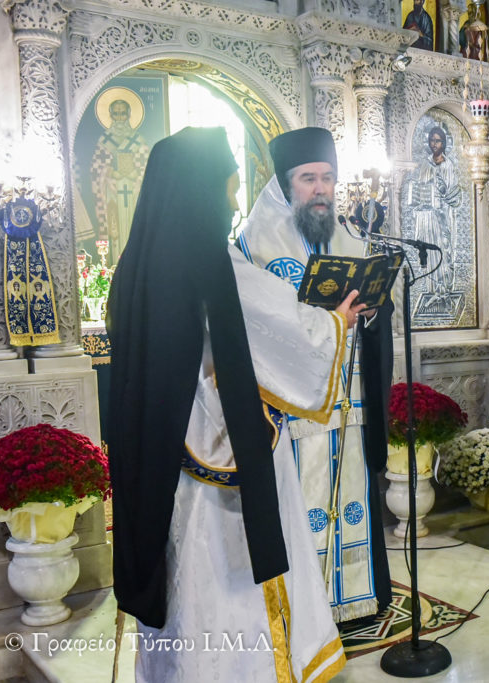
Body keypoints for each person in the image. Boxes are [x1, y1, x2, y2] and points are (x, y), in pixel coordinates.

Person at [108, 127, 365, 680]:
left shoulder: (133, 266)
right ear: (200, 190)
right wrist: (336, 324)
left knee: (180, 577)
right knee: (225, 580)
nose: (231, 201)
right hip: (224, 456)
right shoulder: (210, 262)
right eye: (226, 188)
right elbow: (283, 327)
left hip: (164, 465)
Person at [238, 127, 395, 622]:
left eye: (327, 178)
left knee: (352, 498)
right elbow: (258, 327)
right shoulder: (253, 245)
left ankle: (355, 601)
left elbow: (372, 316)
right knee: (300, 505)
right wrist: (331, 323)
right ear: (286, 185)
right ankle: (306, 612)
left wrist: (371, 314)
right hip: (289, 413)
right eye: (309, 179)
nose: (321, 189)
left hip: (349, 404)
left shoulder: (349, 238)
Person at [403, 125, 462, 294]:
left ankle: (442, 290)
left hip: (440, 216)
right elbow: (418, 186)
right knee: (427, 252)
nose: (434, 144)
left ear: (444, 143)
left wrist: (442, 191)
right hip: (425, 215)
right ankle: (430, 290)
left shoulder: (448, 165)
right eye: (432, 140)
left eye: (438, 141)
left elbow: (453, 193)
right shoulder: (424, 165)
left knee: (441, 250)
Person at [90, 97, 151, 262]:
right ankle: (114, 262)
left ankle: (135, 260)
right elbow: (96, 168)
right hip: (112, 191)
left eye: (123, 114)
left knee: (133, 223)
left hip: (134, 192)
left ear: (129, 115)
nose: (119, 118)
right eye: (116, 114)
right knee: (114, 226)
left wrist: (136, 175)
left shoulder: (137, 140)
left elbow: (148, 167)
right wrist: (110, 173)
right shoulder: (104, 140)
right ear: (110, 116)